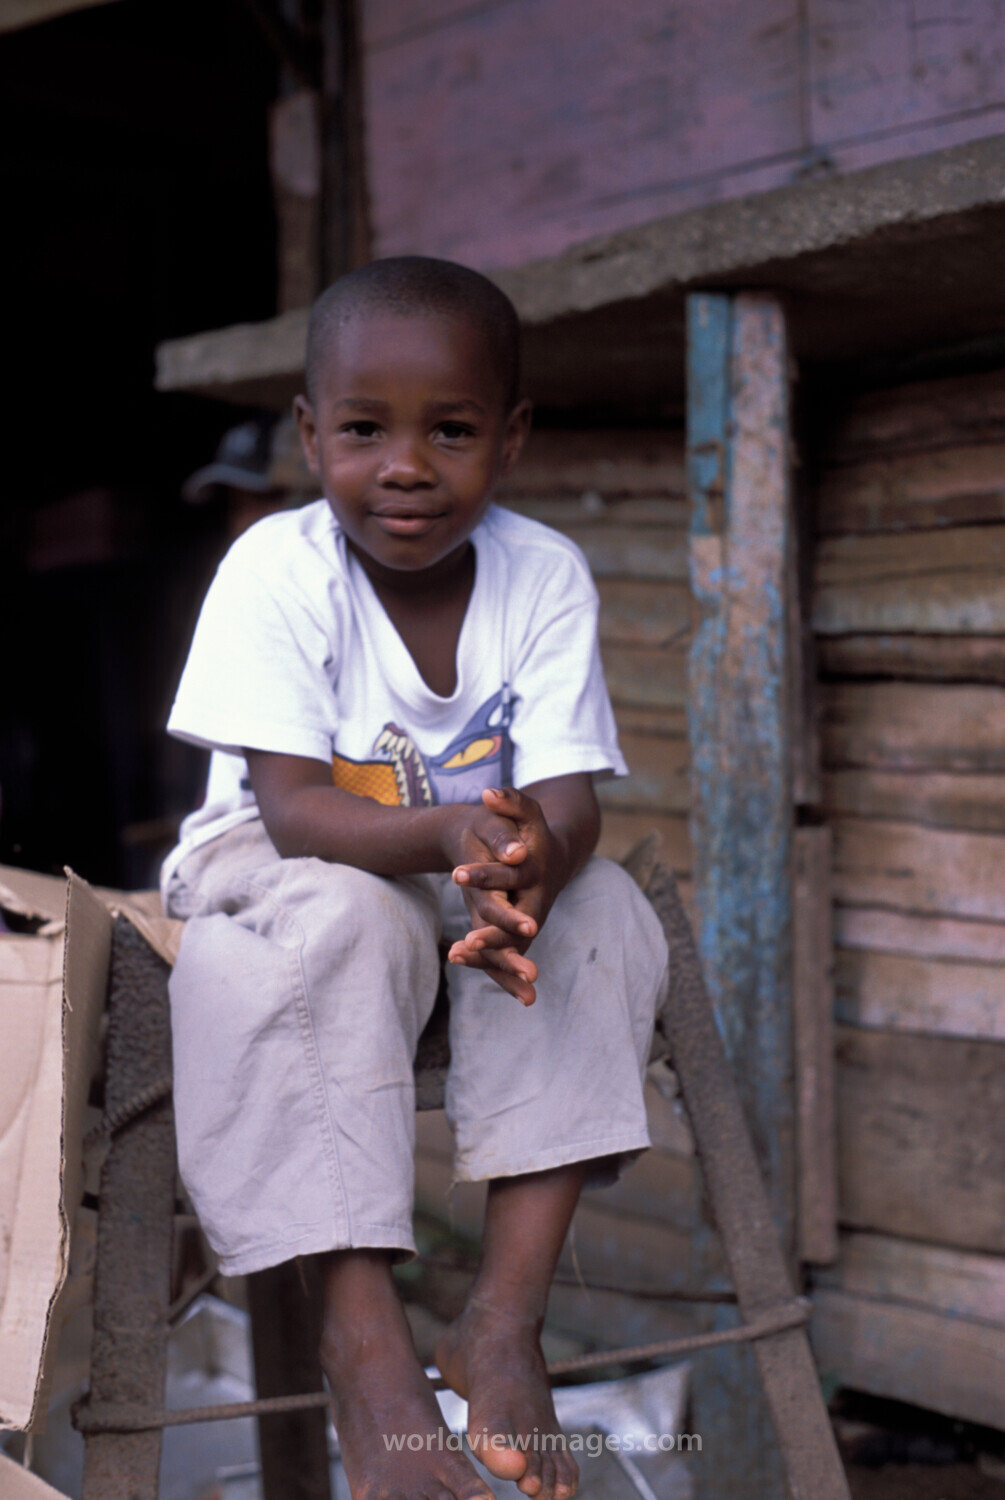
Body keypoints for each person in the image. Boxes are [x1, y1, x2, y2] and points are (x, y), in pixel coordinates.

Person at [161, 257, 669, 1500]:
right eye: (364, 430)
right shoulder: (278, 572)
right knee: (332, 918)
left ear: (512, 436)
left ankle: (501, 1318)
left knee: (604, 911)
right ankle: (366, 1349)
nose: (406, 465)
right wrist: (454, 840)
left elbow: (567, 800)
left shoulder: (541, 572)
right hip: (280, 859)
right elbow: (292, 810)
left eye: (450, 431)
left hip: (456, 871)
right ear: (307, 434)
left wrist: (532, 863)